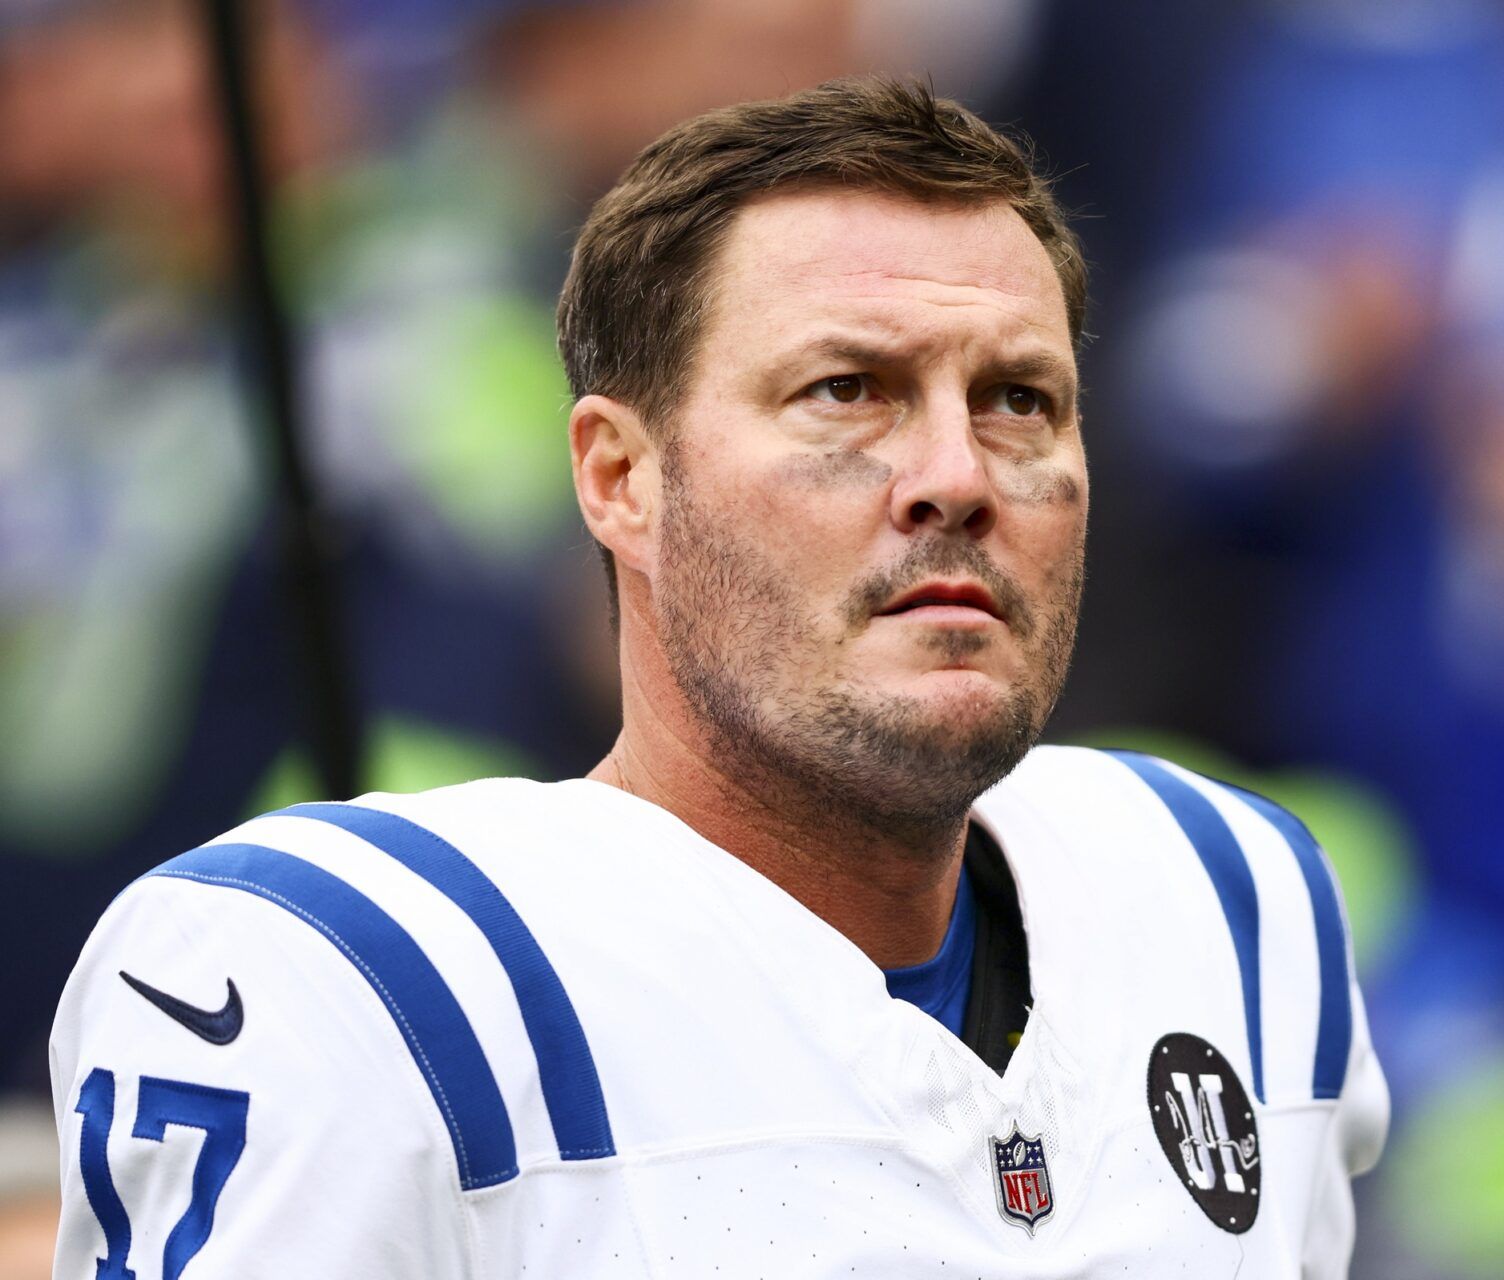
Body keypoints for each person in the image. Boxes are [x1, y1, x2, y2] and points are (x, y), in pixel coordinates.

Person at [46, 78, 1387, 1277]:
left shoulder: (1229, 898)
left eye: (1019, 399)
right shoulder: (350, 982)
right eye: (847, 390)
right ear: (619, 478)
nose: (958, 476)